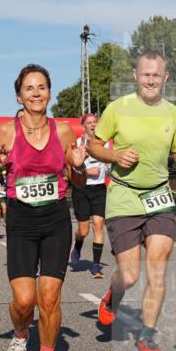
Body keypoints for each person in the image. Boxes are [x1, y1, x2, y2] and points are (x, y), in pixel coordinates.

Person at [0, 64, 85, 351]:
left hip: (55, 219)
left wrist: (78, 167)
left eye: (41, 87)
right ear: (19, 96)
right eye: (29, 88)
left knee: (50, 297)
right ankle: (21, 336)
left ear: (49, 93)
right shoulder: (6, 131)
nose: (36, 93)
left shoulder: (64, 131)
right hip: (21, 220)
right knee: (25, 300)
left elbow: (77, 183)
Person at [89, 52, 176, 351]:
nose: (150, 80)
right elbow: (94, 145)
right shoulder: (117, 109)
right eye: (145, 74)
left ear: (166, 77)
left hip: (159, 196)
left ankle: (147, 337)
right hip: (124, 196)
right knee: (130, 275)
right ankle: (113, 296)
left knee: (158, 266)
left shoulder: (173, 112)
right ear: (135, 75)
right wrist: (114, 157)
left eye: (156, 75)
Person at [70, 112, 111, 278]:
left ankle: (95, 266)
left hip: (99, 189)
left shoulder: (104, 144)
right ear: (83, 126)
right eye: (89, 122)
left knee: (99, 225)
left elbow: (109, 165)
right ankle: (78, 245)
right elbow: (71, 169)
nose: (93, 124)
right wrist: (85, 170)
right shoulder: (77, 143)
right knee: (83, 231)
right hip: (81, 189)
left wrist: (108, 167)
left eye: (95, 122)